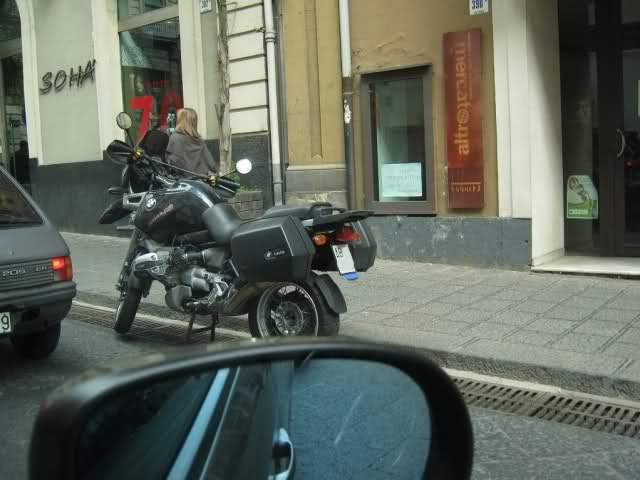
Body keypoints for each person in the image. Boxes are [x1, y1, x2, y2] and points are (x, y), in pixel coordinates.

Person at [166, 108, 218, 176]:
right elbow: (211, 163)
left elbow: (173, 162)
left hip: (185, 182)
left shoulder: (175, 138)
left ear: (180, 120)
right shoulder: (199, 140)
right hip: (203, 179)